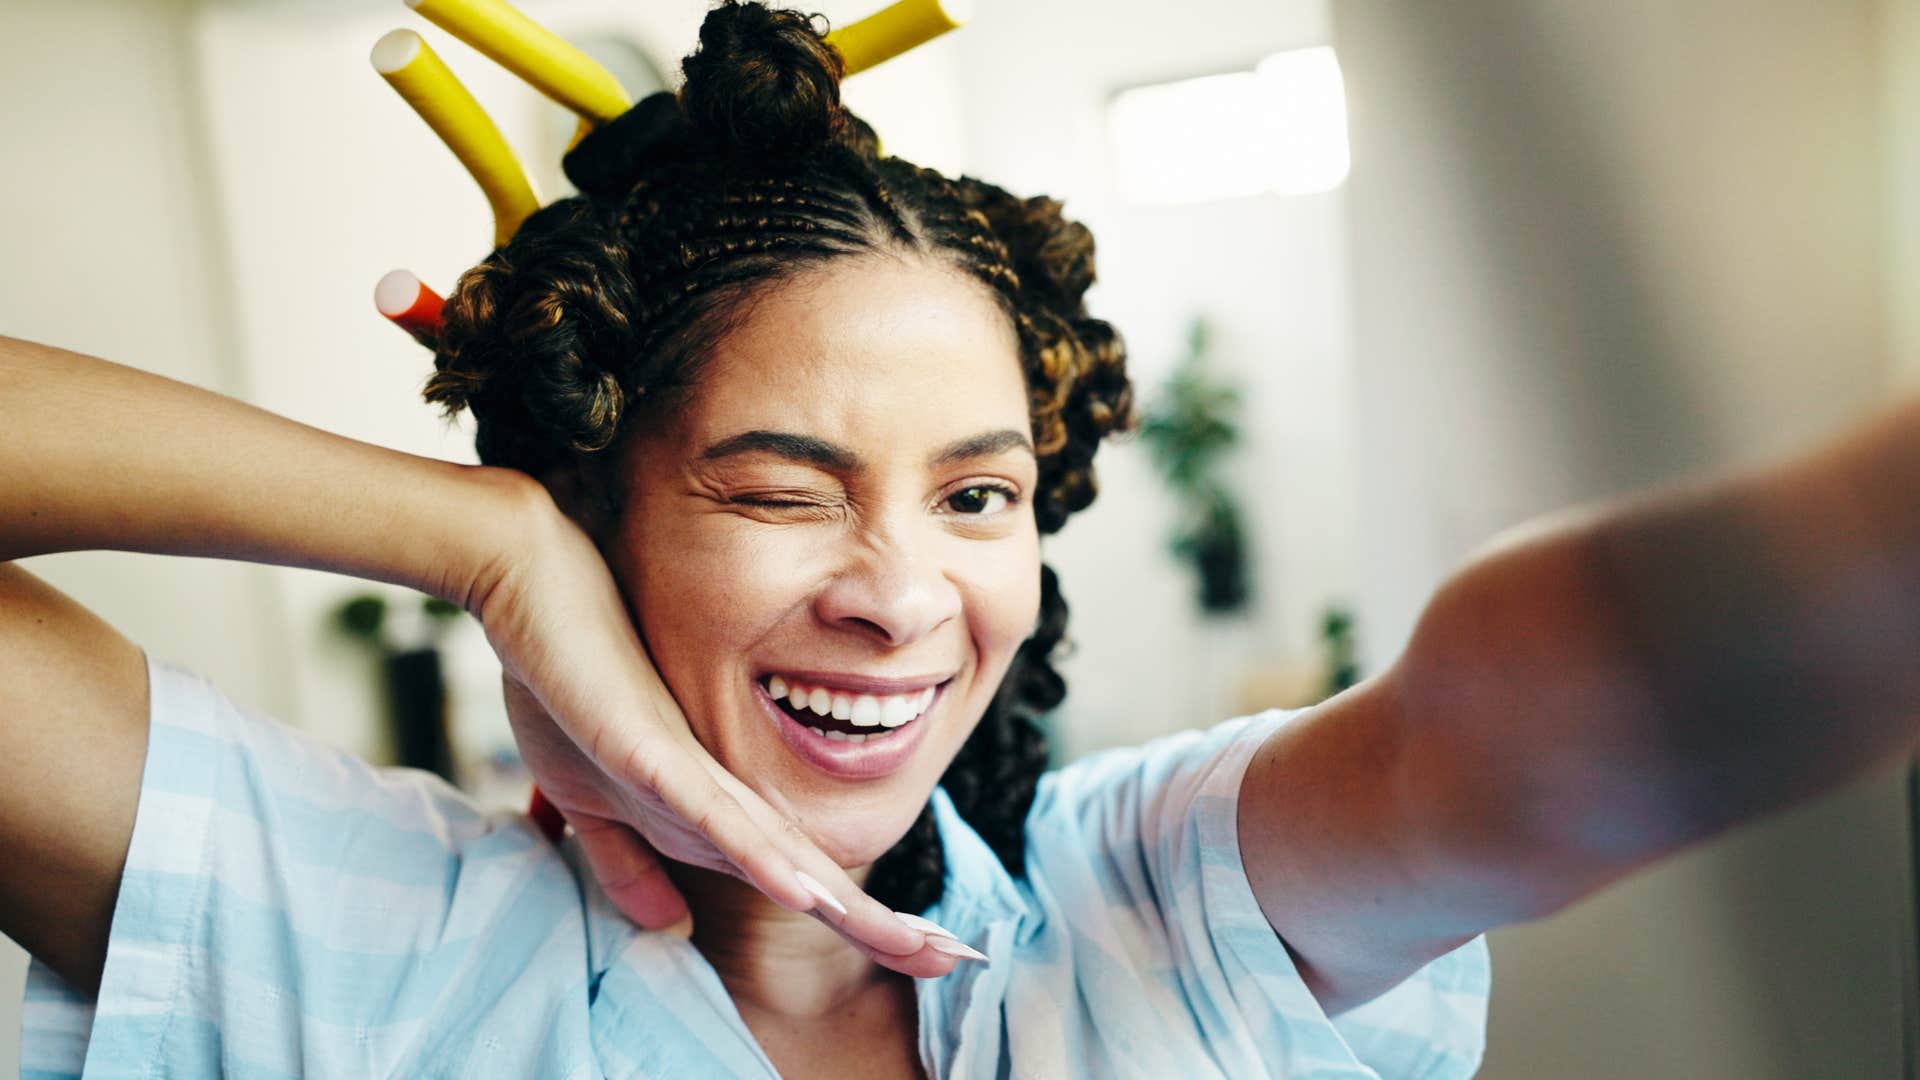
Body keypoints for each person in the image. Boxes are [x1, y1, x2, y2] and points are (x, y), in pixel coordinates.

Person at [3, 2, 1917, 1076]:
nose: (903, 595)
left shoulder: (1156, 913)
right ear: (603, 517)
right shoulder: (347, 937)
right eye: (778, 487)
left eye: (976, 493)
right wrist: (479, 538)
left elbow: (1558, 717)